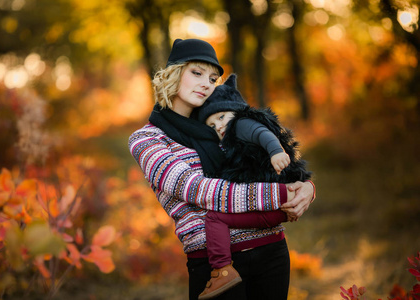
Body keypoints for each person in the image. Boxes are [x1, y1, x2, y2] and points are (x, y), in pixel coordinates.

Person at [128, 38, 316, 300]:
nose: (207, 83)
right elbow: (198, 190)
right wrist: (285, 194)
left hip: (271, 250)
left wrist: (306, 187)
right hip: (216, 266)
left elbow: (264, 161)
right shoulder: (148, 140)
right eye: (197, 73)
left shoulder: (221, 121)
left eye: (213, 78)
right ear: (173, 72)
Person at [193, 73, 313, 299]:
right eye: (211, 124)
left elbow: (262, 134)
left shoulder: (242, 124)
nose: (218, 126)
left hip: (271, 208)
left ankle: (222, 269)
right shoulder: (231, 139)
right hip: (272, 212)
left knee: (214, 218)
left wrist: (276, 152)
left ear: (236, 111)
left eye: (221, 117)